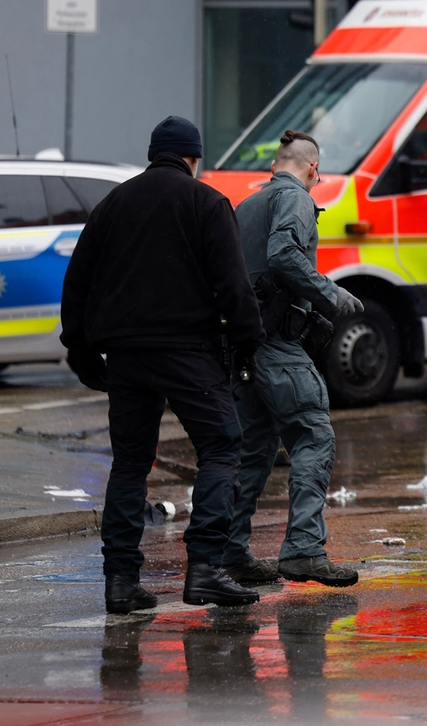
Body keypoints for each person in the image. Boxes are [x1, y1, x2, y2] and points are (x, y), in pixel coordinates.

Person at [61, 115, 265, 613]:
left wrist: (82, 350)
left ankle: (120, 582)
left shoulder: (114, 203)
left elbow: (78, 281)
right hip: (187, 350)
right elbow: (234, 285)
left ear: (154, 153)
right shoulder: (206, 202)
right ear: (194, 158)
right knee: (221, 445)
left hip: (126, 354)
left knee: (130, 463)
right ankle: (206, 570)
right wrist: (248, 343)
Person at [222, 129, 364, 587]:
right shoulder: (297, 199)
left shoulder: (246, 208)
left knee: (255, 448)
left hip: (242, 348)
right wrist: (331, 295)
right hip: (276, 346)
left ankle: (231, 553)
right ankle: (303, 549)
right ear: (312, 168)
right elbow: (284, 254)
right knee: (313, 436)